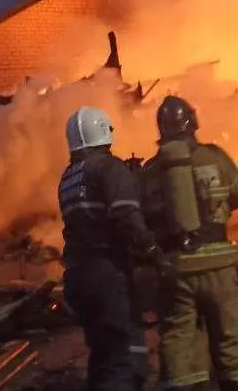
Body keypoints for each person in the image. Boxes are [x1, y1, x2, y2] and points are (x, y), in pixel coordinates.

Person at [140, 95, 238, 391]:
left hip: (177, 268)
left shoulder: (152, 171)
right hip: (218, 264)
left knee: (179, 340)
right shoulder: (214, 157)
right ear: (192, 121)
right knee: (230, 338)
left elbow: (143, 216)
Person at [58, 106, 169, 391]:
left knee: (103, 354)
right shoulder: (108, 167)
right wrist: (154, 251)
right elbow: (125, 216)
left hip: (77, 278)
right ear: (105, 133)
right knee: (121, 357)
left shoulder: (69, 177)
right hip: (106, 274)